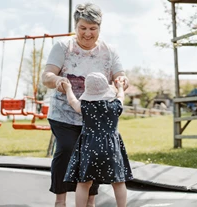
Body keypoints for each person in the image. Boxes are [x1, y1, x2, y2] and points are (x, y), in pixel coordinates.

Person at [41, 2, 129, 207]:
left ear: (99, 28)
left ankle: (90, 201)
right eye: (83, 28)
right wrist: (58, 81)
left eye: (93, 28)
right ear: (76, 27)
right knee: (66, 148)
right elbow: (47, 76)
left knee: (96, 152)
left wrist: (122, 81)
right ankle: (60, 201)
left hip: (95, 117)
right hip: (63, 114)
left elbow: (121, 76)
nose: (87, 33)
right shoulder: (63, 47)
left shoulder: (109, 50)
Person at [60, 72, 133, 207]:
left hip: (90, 148)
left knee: (84, 183)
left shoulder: (85, 107)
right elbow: (121, 97)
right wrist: (120, 88)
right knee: (118, 182)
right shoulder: (115, 107)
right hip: (111, 149)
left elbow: (72, 101)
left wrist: (68, 88)